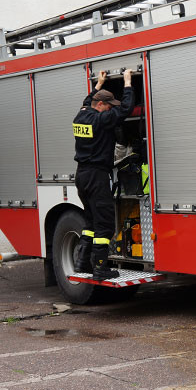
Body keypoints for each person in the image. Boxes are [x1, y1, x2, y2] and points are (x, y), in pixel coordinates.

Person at [73, 69, 134, 280]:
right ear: (100, 106)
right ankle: (100, 268)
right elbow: (126, 109)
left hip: (82, 175)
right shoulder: (100, 120)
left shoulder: (81, 115)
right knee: (104, 224)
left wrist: (99, 84)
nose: (111, 109)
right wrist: (127, 82)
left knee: (90, 222)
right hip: (97, 176)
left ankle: (82, 263)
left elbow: (86, 99)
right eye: (109, 106)